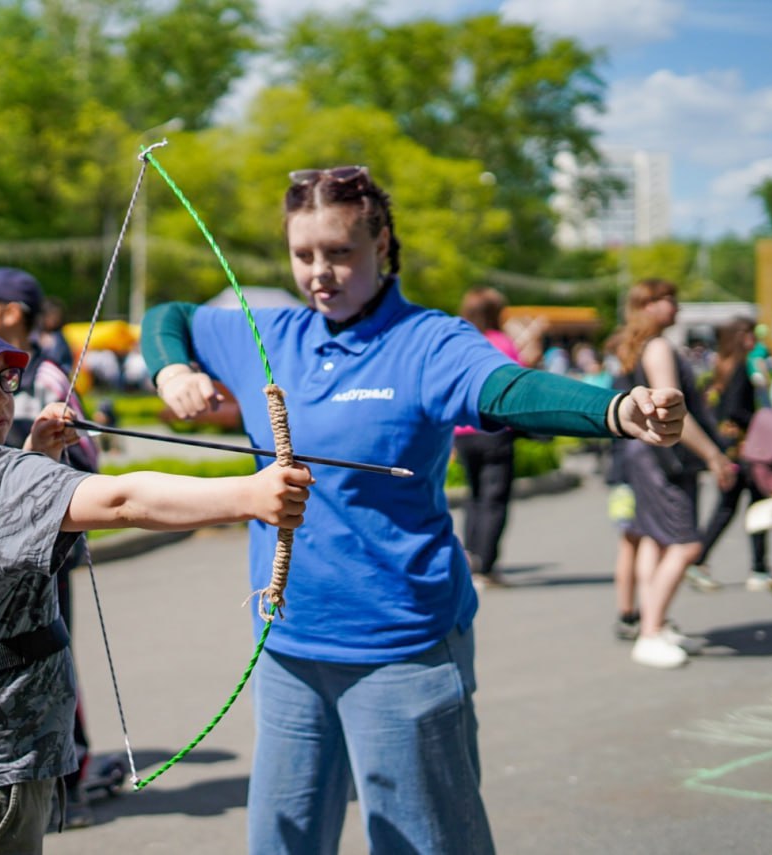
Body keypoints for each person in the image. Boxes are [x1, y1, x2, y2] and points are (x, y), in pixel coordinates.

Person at [140, 164, 689, 853]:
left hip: (402, 648)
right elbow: (168, 318)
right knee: (281, 843)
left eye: (340, 252)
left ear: (382, 243)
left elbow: (508, 388)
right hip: (287, 648)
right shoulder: (267, 332)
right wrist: (173, 369)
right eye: (303, 254)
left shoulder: (428, 341)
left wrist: (612, 410)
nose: (320, 273)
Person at [0, 297, 311, 855]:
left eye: (5, 379)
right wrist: (249, 495)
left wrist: (36, 454)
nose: (1, 398)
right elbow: (124, 500)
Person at [0, 267, 99, 825]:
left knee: (50, 652)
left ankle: (67, 781)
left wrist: (38, 460)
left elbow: (88, 466)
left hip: (44, 548)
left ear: (12, 313)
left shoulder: (48, 376)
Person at [608, 279, 735, 669]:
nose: (675, 307)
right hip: (662, 457)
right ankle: (649, 632)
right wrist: (714, 455)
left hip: (640, 454)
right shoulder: (659, 346)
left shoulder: (631, 345)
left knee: (655, 540)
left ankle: (654, 623)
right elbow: (672, 412)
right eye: (667, 299)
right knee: (685, 544)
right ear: (646, 304)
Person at [687, 316, 772, 593]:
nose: (755, 339)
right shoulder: (741, 366)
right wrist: (762, 420)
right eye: (750, 333)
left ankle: (706, 561)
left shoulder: (723, 364)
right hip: (746, 449)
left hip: (734, 448)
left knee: (733, 507)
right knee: (748, 506)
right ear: (739, 336)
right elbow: (736, 409)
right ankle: (756, 568)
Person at [453, 286, 522, 589]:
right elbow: (517, 388)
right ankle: (486, 564)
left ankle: (470, 557)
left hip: (462, 433)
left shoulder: (459, 344)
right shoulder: (502, 343)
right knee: (494, 500)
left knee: (475, 497)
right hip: (494, 431)